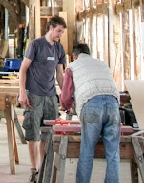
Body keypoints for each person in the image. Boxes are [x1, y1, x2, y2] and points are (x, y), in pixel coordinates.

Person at [60, 43, 120, 183]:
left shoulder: (72, 67)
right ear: (89, 54)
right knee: (113, 153)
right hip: (113, 104)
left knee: (87, 149)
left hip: (91, 103)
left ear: (74, 56)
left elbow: (65, 97)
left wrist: (67, 107)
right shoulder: (102, 64)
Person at [18, 16, 67, 182]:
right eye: (59, 31)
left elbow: (59, 74)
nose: (60, 34)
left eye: (62, 32)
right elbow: (23, 69)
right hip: (34, 94)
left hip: (50, 96)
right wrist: (22, 93)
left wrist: (65, 95)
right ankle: (34, 170)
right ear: (51, 28)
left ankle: (44, 168)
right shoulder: (36, 45)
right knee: (33, 133)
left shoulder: (59, 48)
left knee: (49, 134)